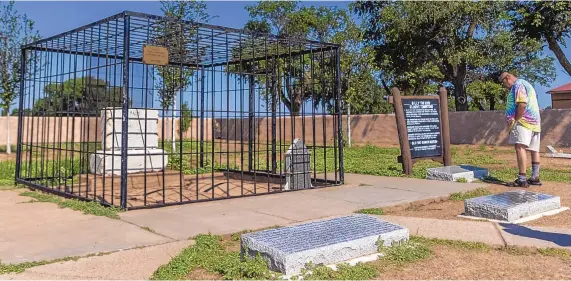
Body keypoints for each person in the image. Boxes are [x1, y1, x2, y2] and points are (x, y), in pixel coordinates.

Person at [500, 72, 542, 187]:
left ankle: (522, 179)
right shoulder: (526, 83)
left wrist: (515, 119)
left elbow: (522, 104)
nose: (506, 86)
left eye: (504, 83)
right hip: (534, 122)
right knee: (534, 149)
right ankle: (534, 177)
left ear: (507, 78)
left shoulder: (518, 85)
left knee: (520, 147)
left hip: (523, 122)